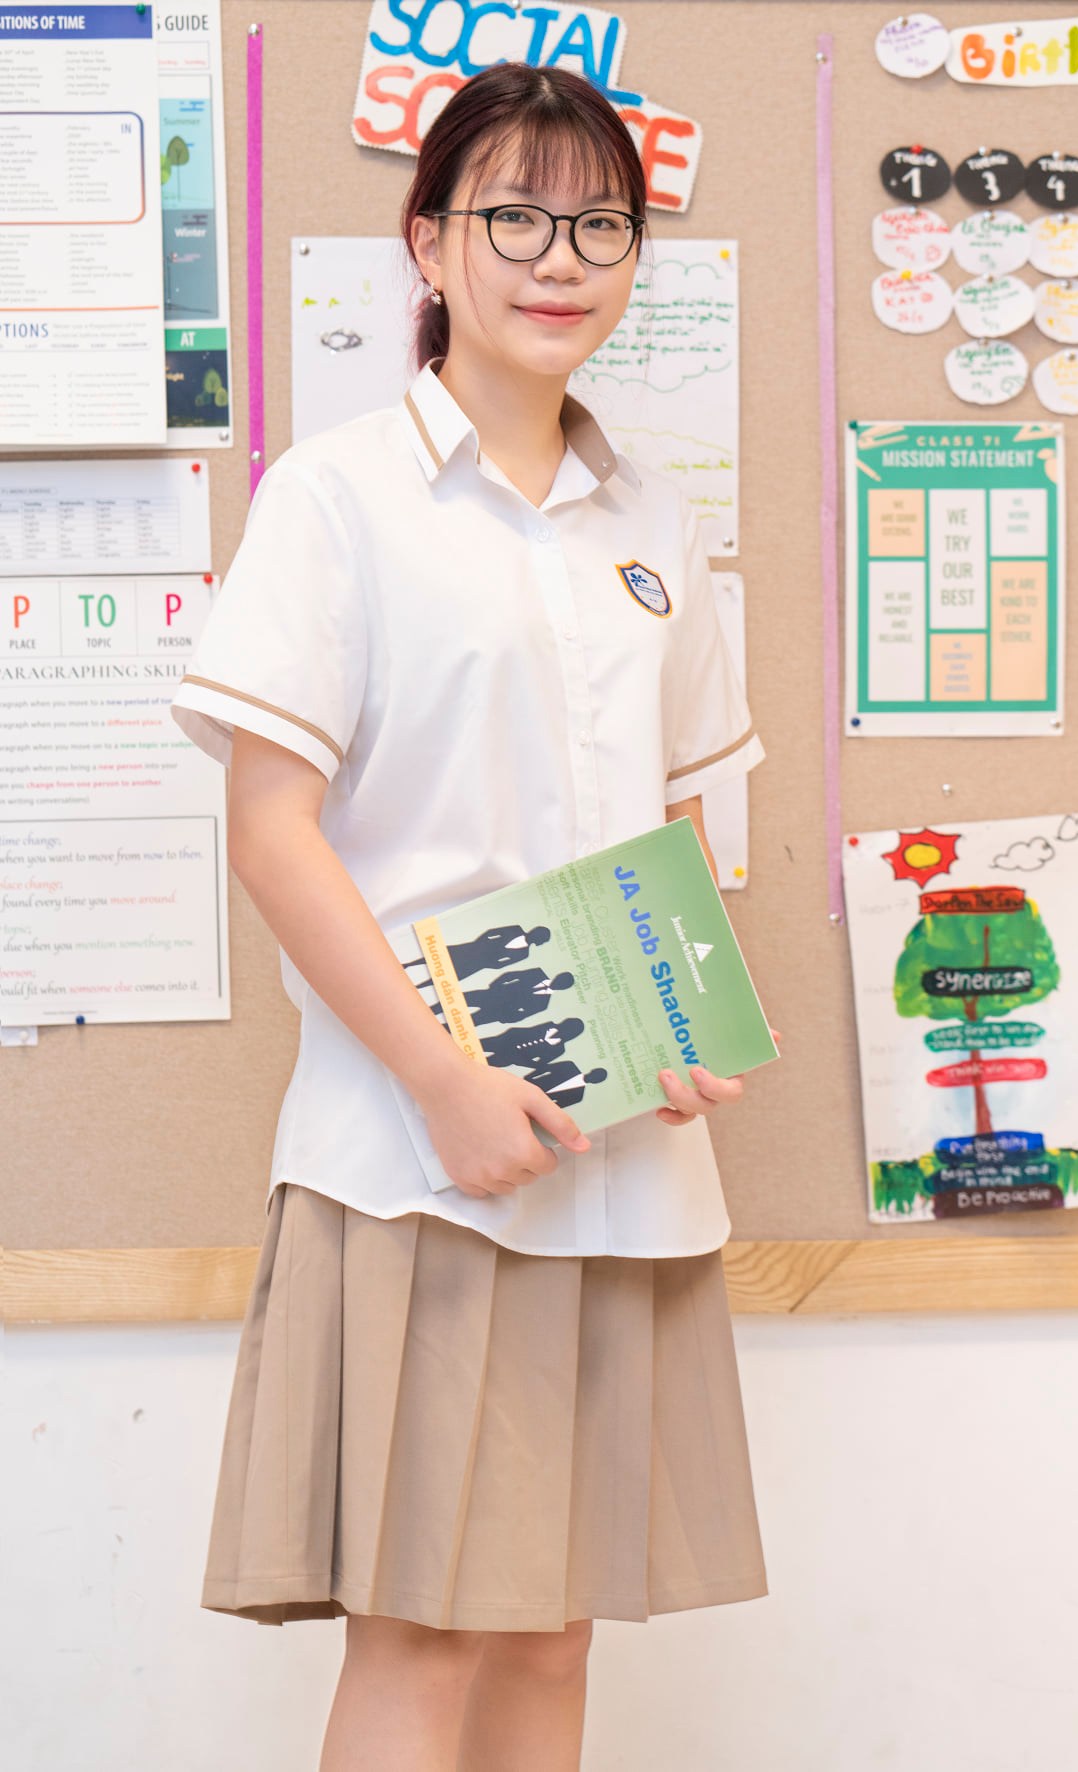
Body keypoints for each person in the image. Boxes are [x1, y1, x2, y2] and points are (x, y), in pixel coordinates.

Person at [170, 61, 775, 1772]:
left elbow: (670, 819)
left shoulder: (654, 519)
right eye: (513, 216)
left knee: (552, 1630)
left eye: (599, 224)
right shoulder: (336, 494)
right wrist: (441, 1079)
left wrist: (688, 1026)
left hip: (621, 1151)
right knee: (424, 1629)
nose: (557, 257)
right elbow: (271, 831)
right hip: (413, 1153)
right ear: (429, 245)